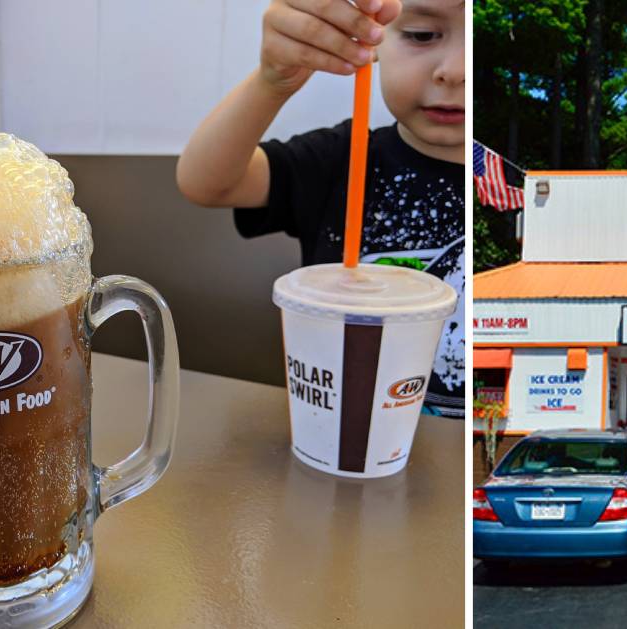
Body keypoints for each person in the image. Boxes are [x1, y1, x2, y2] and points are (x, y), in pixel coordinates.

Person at [177, 0, 466, 417]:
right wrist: (272, 82)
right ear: (376, 37)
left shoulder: (510, 187)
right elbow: (206, 183)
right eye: (422, 34)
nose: (455, 70)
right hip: (336, 433)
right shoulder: (343, 159)